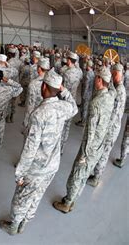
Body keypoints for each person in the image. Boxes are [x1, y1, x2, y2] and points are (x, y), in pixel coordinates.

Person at [0, 70, 77, 235]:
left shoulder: (39, 114)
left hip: (36, 168)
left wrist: (20, 173)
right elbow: (74, 108)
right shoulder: (64, 107)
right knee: (36, 196)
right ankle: (24, 223)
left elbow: (30, 148)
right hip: (52, 164)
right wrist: (63, 90)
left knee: (21, 197)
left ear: (44, 87)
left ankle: (14, 226)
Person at [53, 67, 115, 213]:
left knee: (77, 173)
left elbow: (90, 132)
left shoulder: (96, 103)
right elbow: (112, 87)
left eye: (97, 78)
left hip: (91, 146)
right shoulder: (111, 96)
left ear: (100, 80)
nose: (95, 80)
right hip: (100, 145)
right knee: (85, 174)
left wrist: (84, 155)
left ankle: (67, 203)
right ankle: (72, 200)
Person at [87, 63, 126, 186]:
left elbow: (113, 114)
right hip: (113, 126)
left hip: (111, 128)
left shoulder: (118, 91)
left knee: (104, 153)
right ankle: (96, 174)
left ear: (115, 74)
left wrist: (105, 128)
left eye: (112, 75)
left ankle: (96, 177)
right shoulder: (120, 88)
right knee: (103, 151)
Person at [60, 51, 83, 153]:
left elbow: (61, 88)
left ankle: (58, 146)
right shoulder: (80, 72)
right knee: (67, 125)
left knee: (60, 124)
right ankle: (62, 148)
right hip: (72, 100)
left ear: (69, 60)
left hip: (64, 100)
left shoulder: (66, 72)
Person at [75, 60, 95, 127]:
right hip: (90, 93)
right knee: (86, 108)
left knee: (84, 108)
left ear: (88, 66)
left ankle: (83, 122)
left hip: (86, 94)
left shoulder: (87, 74)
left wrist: (83, 95)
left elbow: (86, 85)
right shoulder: (92, 73)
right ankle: (84, 120)